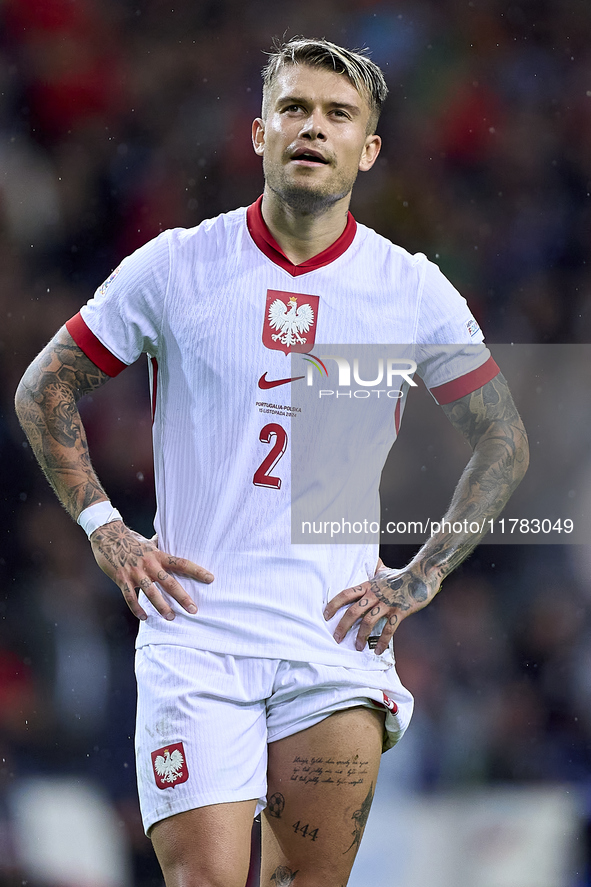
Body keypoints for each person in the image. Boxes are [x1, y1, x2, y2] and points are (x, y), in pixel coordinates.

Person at [15, 37, 528, 887]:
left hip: (331, 637)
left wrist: (420, 576)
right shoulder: (176, 266)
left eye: (337, 115)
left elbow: (503, 438)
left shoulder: (409, 289)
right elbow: (44, 389)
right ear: (258, 132)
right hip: (198, 636)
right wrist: (107, 531)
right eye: (293, 108)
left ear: (367, 150)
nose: (311, 129)